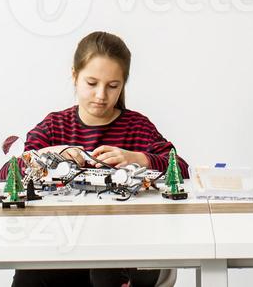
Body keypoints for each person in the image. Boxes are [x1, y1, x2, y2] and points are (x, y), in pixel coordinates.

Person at [11, 31, 189, 287]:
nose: (101, 95)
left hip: (124, 246)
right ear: (74, 76)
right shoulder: (54, 126)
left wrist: (138, 158)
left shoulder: (136, 127)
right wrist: (54, 154)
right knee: (31, 270)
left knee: (106, 271)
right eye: (92, 83)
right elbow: (9, 173)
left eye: (112, 86)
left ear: (123, 85)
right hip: (62, 243)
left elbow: (181, 169)